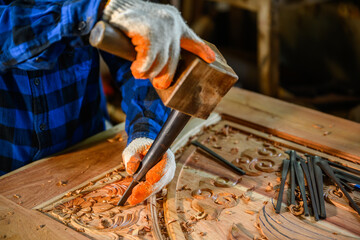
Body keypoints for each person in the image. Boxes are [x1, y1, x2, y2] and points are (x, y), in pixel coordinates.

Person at [0, 0, 215, 205]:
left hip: (89, 149)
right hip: (6, 171)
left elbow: (135, 61)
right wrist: (99, 9)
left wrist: (146, 132)